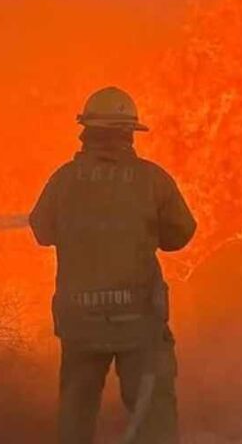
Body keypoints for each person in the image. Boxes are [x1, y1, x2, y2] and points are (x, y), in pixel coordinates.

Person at [29, 86, 197, 444]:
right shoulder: (152, 180)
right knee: (152, 417)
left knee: (76, 413)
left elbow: (41, 230)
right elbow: (181, 234)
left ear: (87, 131)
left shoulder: (63, 181)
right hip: (137, 323)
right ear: (128, 134)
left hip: (80, 323)